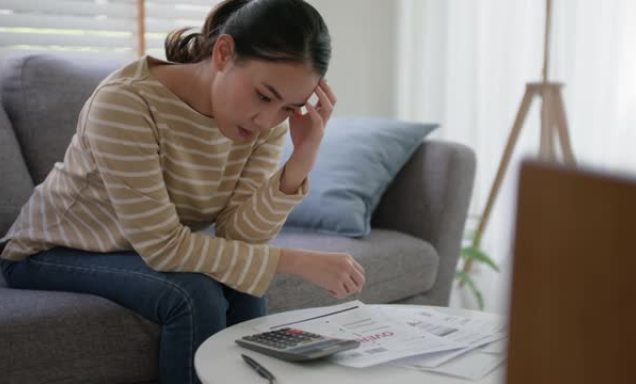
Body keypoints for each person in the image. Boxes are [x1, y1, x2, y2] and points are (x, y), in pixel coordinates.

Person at [0, 0, 365, 382]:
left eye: (288, 108)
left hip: (133, 250)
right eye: (263, 96)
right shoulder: (127, 101)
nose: (267, 120)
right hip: (50, 251)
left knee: (244, 286)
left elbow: (240, 236)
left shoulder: (266, 122)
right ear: (224, 52)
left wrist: (301, 160)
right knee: (193, 294)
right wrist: (298, 261)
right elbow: (163, 246)